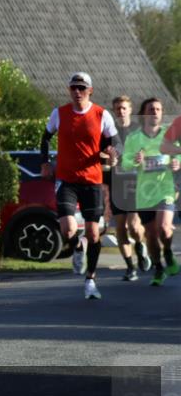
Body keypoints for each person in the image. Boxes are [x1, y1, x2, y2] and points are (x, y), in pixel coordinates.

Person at [40, 72, 120, 300]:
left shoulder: (101, 115)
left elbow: (113, 144)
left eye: (82, 88)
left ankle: (91, 280)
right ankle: (76, 247)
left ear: (90, 90)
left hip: (92, 180)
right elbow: (45, 138)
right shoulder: (59, 113)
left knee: (94, 234)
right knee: (67, 229)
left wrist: (113, 154)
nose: (77, 92)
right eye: (74, 88)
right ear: (69, 90)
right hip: (66, 179)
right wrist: (45, 163)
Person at [121, 98, 179, 285]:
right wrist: (136, 160)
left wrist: (177, 162)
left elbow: (178, 154)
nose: (155, 112)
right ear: (144, 114)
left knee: (163, 227)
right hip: (144, 194)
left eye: (158, 109)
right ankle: (158, 268)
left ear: (162, 113)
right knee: (151, 236)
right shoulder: (134, 139)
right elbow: (125, 162)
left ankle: (168, 253)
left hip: (165, 189)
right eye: (151, 109)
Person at [105, 95, 149, 281]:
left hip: (135, 185)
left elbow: (150, 154)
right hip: (116, 186)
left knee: (134, 226)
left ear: (130, 110)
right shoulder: (109, 133)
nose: (121, 111)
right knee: (121, 228)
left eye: (124, 108)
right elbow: (104, 162)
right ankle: (130, 267)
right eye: (117, 109)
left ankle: (140, 246)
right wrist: (109, 162)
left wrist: (143, 159)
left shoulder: (139, 131)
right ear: (114, 111)